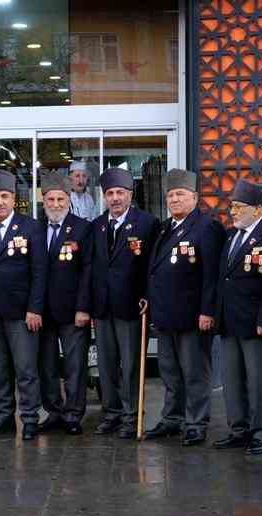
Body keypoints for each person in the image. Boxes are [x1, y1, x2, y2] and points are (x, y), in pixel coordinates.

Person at [143, 168, 225, 446]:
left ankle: (196, 422)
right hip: (165, 315)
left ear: (195, 197)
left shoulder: (207, 228)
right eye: (170, 195)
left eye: (180, 194)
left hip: (193, 316)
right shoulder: (165, 228)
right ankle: (172, 419)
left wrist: (207, 311)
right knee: (170, 372)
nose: (174, 199)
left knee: (194, 373)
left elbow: (211, 275)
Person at [0, 169, 48, 441]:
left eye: (5, 196)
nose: (0, 202)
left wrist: (35, 309)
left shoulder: (31, 227)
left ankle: (29, 419)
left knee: (26, 369)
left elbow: (40, 272)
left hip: (21, 313)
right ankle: (3, 417)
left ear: (14, 199)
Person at [86, 166, 158, 439]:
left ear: (130, 194)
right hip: (103, 307)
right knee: (106, 365)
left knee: (130, 365)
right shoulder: (97, 226)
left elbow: (152, 266)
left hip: (131, 306)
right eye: (110, 193)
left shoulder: (147, 224)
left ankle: (131, 415)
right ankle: (111, 413)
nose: (115, 198)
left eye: (120, 193)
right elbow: (91, 267)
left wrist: (147, 296)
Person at [214, 177, 262, 454]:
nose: (232, 212)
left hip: (257, 323)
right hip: (230, 322)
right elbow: (224, 279)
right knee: (232, 379)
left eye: (239, 207)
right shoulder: (231, 235)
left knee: (259, 380)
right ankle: (239, 428)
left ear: (258, 210)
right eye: (232, 206)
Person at [36, 171, 93, 434]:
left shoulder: (82, 228)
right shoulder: (35, 228)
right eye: (50, 199)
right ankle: (54, 412)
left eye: (60, 199)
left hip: (73, 312)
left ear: (69, 200)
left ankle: (73, 414)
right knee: (46, 366)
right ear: (43, 200)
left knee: (75, 366)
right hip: (43, 313)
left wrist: (84, 308)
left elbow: (87, 271)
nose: (55, 204)